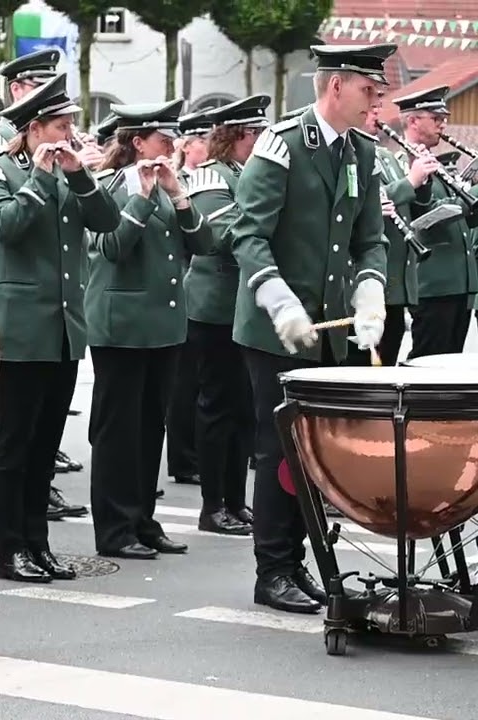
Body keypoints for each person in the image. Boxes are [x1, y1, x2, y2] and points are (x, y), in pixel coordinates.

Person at [230, 44, 392, 614]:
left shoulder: (360, 152)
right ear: (337, 86)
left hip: (328, 329)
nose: (379, 99)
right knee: (280, 450)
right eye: (370, 88)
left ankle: (296, 561)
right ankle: (272, 569)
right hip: (279, 327)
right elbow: (247, 234)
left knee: (313, 452)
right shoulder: (283, 144)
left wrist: (369, 291)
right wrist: (278, 299)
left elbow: (371, 238)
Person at [0, 73, 117, 582]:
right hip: (17, 331)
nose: (68, 134)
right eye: (58, 125)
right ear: (32, 129)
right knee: (12, 446)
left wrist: (79, 175)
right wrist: (37, 177)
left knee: (44, 445)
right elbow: (3, 228)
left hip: (63, 331)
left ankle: (39, 542)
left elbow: (107, 220)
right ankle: (11, 550)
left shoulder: (69, 172)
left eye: (70, 124)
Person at [86, 99, 213, 561]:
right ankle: (115, 528)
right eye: (163, 138)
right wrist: (140, 199)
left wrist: (178, 196)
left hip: (162, 325)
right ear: (138, 142)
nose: (172, 145)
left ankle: (142, 518)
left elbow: (204, 244)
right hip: (121, 326)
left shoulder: (167, 185)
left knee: (149, 429)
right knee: (118, 430)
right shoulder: (109, 187)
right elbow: (113, 248)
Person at [182, 95, 272, 536]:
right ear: (238, 135)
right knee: (217, 407)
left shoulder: (244, 174)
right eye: (255, 134)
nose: (260, 140)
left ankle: (237, 501)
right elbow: (217, 235)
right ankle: (212, 504)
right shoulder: (209, 175)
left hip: (240, 305)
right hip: (214, 305)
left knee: (242, 410)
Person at [389, 86, 475, 359]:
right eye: (436, 119)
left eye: (444, 118)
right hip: (432, 283)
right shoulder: (402, 165)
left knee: (450, 367)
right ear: (413, 121)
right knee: (428, 363)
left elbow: (465, 219)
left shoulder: (436, 165)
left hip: (458, 284)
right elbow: (422, 217)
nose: (443, 124)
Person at [346, 100, 419, 367]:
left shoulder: (385, 156)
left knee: (388, 362)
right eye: (371, 108)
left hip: (394, 283)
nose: (377, 114)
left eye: (378, 108)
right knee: (364, 367)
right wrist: (410, 182)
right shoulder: (349, 152)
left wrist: (420, 180)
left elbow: (411, 206)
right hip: (366, 282)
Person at [164, 109, 213, 489]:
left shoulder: (188, 182)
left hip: (179, 288)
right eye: (202, 140)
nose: (208, 145)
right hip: (185, 287)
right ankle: (183, 456)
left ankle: (193, 454)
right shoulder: (182, 180)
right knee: (186, 386)